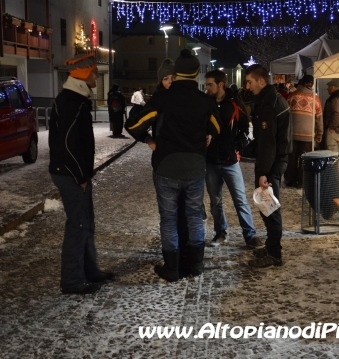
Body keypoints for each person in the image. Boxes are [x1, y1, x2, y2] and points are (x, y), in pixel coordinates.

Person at [126, 49, 221, 282]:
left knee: (168, 219)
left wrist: (148, 140)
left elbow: (133, 125)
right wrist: (206, 135)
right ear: (198, 73)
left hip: (167, 166)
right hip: (196, 167)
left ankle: (172, 268)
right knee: (194, 217)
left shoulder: (162, 99)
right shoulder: (205, 101)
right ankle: (196, 265)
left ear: (176, 73)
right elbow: (217, 128)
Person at [49, 53, 113, 294]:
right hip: (70, 174)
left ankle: (89, 270)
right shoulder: (71, 103)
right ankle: (72, 280)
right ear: (84, 75)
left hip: (73, 173)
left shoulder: (75, 100)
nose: (97, 75)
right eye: (94, 72)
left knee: (86, 222)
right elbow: (66, 144)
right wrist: (81, 176)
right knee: (77, 225)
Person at [204, 70, 262, 248]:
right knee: (215, 201)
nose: (207, 88)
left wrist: (236, 146)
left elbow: (245, 130)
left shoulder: (236, 104)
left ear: (221, 84)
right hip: (210, 161)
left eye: (210, 85)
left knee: (240, 200)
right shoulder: (206, 103)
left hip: (230, 161)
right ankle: (220, 232)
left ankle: (250, 235)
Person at [245, 64, 292, 268]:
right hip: (274, 160)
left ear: (261, 81)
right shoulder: (269, 100)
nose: (247, 86)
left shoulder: (269, 104)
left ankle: (274, 254)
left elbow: (268, 143)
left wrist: (264, 173)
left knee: (271, 209)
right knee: (267, 207)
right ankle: (273, 246)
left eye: (249, 81)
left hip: (272, 163)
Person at [284, 75, 323, 187]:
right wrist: (319, 133)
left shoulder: (292, 96)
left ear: (301, 83)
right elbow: (319, 118)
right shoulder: (316, 99)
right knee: (304, 158)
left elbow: (286, 114)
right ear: (311, 85)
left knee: (292, 158)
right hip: (308, 135)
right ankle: (302, 182)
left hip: (292, 133)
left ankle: (290, 180)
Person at [322, 78, 339, 153]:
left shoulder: (336, 98)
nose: (327, 89)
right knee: (338, 152)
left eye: (329, 87)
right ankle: (338, 164)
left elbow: (338, 114)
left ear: (333, 88)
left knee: (333, 152)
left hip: (336, 131)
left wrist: (331, 127)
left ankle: (336, 165)